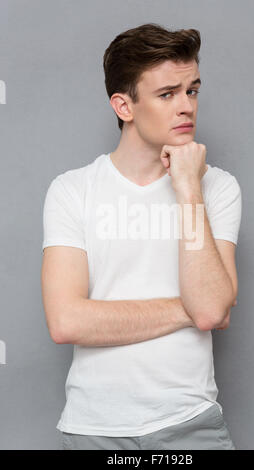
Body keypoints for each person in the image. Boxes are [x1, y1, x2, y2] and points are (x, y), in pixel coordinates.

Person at [41, 23, 242, 450]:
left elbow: (210, 312)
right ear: (124, 106)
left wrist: (189, 187)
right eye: (167, 94)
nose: (186, 106)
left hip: (191, 424)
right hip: (93, 429)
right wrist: (189, 307)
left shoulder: (218, 188)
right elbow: (66, 321)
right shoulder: (72, 190)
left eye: (192, 90)